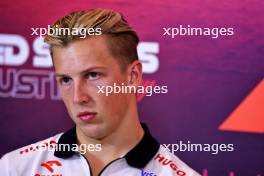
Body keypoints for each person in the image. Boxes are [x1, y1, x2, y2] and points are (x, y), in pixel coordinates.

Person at [0, 9, 201, 176]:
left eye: (93, 75)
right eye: (66, 80)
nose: (78, 97)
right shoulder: (15, 168)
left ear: (133, 76)